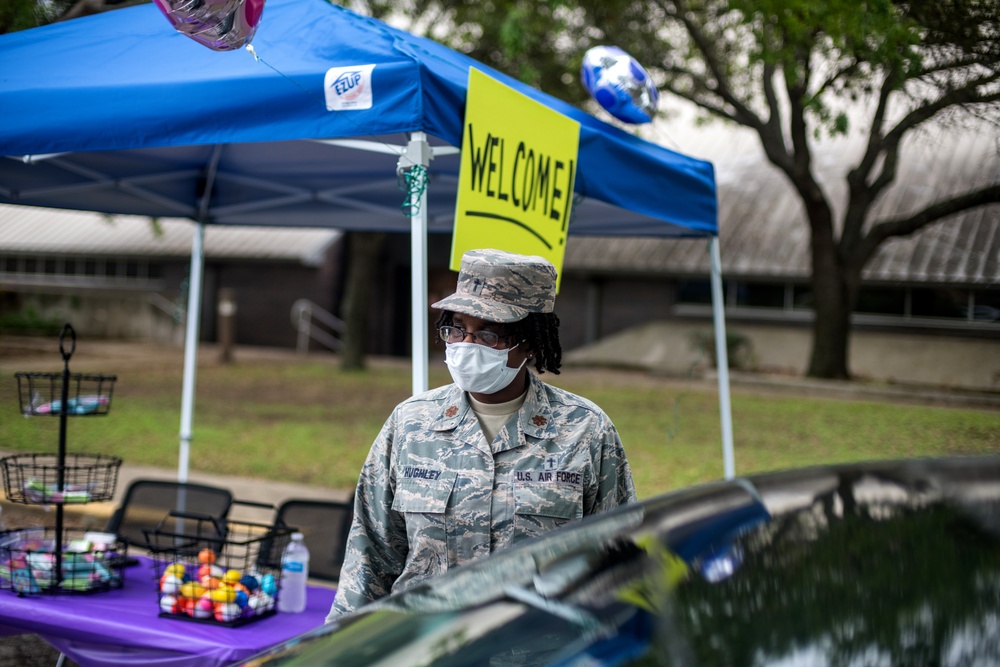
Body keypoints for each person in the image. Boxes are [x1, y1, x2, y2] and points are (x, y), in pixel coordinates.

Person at [326, 248, 636, 620]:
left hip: (535, 644)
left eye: (489, 334)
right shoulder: (410, 424)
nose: (466, 346)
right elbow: (369, 558)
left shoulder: (585, 429)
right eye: (456, 329)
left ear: (530, 342)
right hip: (426, 641)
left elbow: (619, 558)